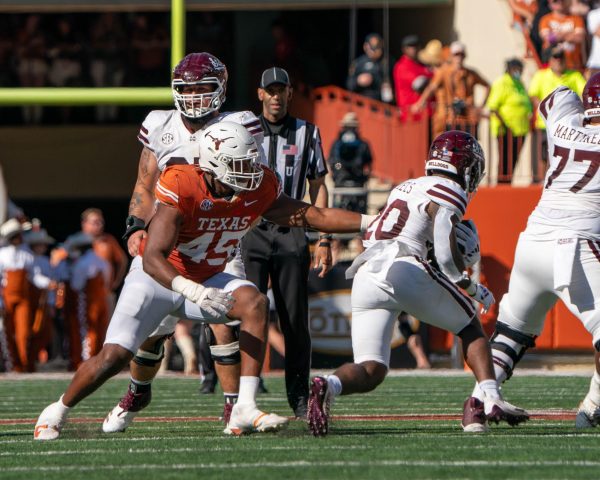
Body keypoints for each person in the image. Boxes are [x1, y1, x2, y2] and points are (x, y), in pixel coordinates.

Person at [33, 121, 371, 440]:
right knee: (114, 358)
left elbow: (315, 215)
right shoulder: (183, 183)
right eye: (240, 165)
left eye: (251, 162)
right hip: (157, 280)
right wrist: (194, 291)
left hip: (208, 275)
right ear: (214, 164)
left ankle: (244, 406)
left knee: (254, 303)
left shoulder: (258, 187)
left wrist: (372, 221)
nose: (252, 172)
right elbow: (153, 257)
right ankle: (57, 410)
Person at [307, 130, 530, 437]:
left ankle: (327, 385)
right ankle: (491, 398)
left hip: (368, 272)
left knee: (371, 369)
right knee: (471, 328)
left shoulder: (407, 186)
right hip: (403, 266)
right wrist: (468, 285)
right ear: (464, 165)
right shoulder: (450, 188)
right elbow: (442, 242)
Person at [101, 52, 266, 433]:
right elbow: (144, 184)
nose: (193, 96)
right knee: (153, 329)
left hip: (218, 239)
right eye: (186, 88)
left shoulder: (238, 124)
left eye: (202, 87)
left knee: (225, 319)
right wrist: (134, 226)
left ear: (221, 88)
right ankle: (138, 390)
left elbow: (255, 179)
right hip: (169, 241)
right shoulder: (160, 125)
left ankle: (233, 410)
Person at [464, 77, 600, 432]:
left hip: (533, 241)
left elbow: (554, 98)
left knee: (511, 333)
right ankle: (595, 404)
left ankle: (477, 404)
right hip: (576, 246)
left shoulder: (564, 122)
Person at [240, 67, 329, 418]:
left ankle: (298, 398)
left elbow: (318, 183)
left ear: (290, 93)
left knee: (295, 320)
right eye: (270, 91)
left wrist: (323, 236)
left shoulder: (308, 132)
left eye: (282, 90)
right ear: (259, 94)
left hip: (292, 229)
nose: (276, 97)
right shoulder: (242, 130)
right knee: (245, 315)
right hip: (252, 229)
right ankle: (239, 398)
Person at [0, 219, 53, 372]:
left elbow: (34, 277)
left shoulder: (27, 255)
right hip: (7, 299)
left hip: (23, 299)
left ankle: (23, 364)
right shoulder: (2, 255)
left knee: (23, 333)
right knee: (8, 332)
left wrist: (48, 282)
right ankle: (13, 364)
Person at [528, 45, 586, 178]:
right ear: (550, 60)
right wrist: (548, 112)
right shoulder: (541, 75)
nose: (559, 60)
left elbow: (584, 94)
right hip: (545, 125)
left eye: (561, 57)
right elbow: (533, 96)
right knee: (544, 156)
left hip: (568, 128)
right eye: (555, 57)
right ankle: (542, 183)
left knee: (565, 157)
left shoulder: (574, 76)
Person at [412, 41, 490, 139]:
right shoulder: (444, 72)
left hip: (467, 119)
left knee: (468, 148)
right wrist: (421, 102)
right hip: (449, 118)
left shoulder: (471, 73)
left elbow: (488, 86)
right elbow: (432, 88)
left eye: (461, 55)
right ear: (452, 56)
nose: (459, 58)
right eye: (456, 55)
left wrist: (481, 106)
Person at [485, 58, 532, 183]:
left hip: (520, 130)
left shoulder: (519, 83)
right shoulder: (502, 83)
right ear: (510, 69)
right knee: (505, 160)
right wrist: (505, 125)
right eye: (516, 69)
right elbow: (493, 107)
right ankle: (501, 184)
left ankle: (508, 182)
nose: (519, 72)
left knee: (514, 160)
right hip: (506, 130)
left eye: (520, 70)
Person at [80, 208, 127, 312]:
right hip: (82, 295)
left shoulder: (108, 240)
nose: (100, 225)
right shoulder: (77, 242)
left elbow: (122, 261)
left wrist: (116, 282)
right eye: (95, 222)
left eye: (101, 222)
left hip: (105, 294)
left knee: (108, 325)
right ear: (84, 223)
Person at [328, 112, 372, 213]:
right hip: (351, 180)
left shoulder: (337, 144)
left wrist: (336, 173)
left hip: (345, 180)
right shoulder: (363, 144)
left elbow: (332, 162)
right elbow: (369, 164)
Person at [393, 35, 434, 119]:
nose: (414, 49)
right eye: (410, 47)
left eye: (416, 46)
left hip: (425, 114)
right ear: (404, 49)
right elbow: (419, 84)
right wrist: (435, 79)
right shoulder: (401, 66)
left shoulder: (422, 65)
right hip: (410, 115)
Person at [539, 0, 586, 70]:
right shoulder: (545, 19)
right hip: (553, 67)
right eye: (555, 1)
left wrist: (559, 35)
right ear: (549, 4)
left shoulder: (577, 18)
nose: (560, 2)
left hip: (574, 65)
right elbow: (548, 38)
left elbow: (579, 37)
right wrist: (570, 35)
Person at [347, 33, 392, 103]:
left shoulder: (388, 62)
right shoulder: (358, 63)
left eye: (377, 47)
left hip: (381, 102)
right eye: (372, 47)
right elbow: (349, 84)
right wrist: (358, 81)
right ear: (365, 46)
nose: (374, 50)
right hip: (362, 101)